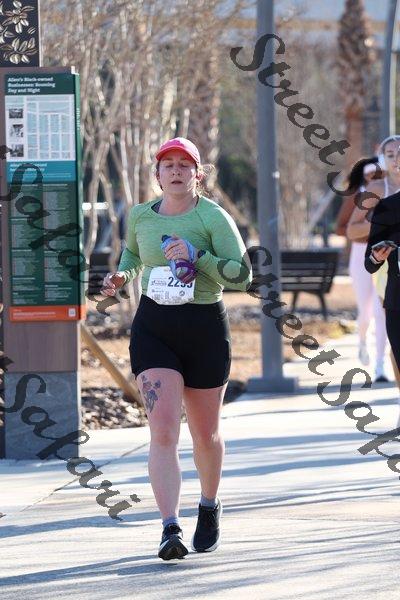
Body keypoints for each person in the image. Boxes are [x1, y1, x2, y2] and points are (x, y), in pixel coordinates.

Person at [101, 137, 252, 560]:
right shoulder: (141, 215)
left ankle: (209, 504)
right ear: (157, 174)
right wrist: (121, 277)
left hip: (204, 327)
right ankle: (169, 527)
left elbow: (243, 276)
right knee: (164, 430)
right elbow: (134, 254)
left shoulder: (213, 216)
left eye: (184, 165)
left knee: (205, 434)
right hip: (155, 327)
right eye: (167, 164)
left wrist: (197, 255)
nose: (175, 171)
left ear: (197, 174)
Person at [336, 156, 388, 380]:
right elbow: (341, 227)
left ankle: (380, 364)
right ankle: (363, 341)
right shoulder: (357, 196)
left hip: (385, 254)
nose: (373, 179)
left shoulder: (389, 192)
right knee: (365, 312)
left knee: (381, 309)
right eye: (368, 175)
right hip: (360, 254)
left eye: (377, 175)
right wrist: (366, 228)